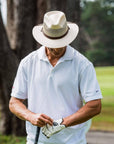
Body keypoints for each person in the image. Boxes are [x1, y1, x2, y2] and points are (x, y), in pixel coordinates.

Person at [9, 11, 102, 144]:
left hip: (72, 141)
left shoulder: (83, 65)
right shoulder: (28, 63)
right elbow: (14, 102)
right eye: (53, 42)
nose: (57, 48)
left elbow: (95, 105)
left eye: (60, 42)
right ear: (44, 38)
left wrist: (63, 123)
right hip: (36, 141)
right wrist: (30, 116)